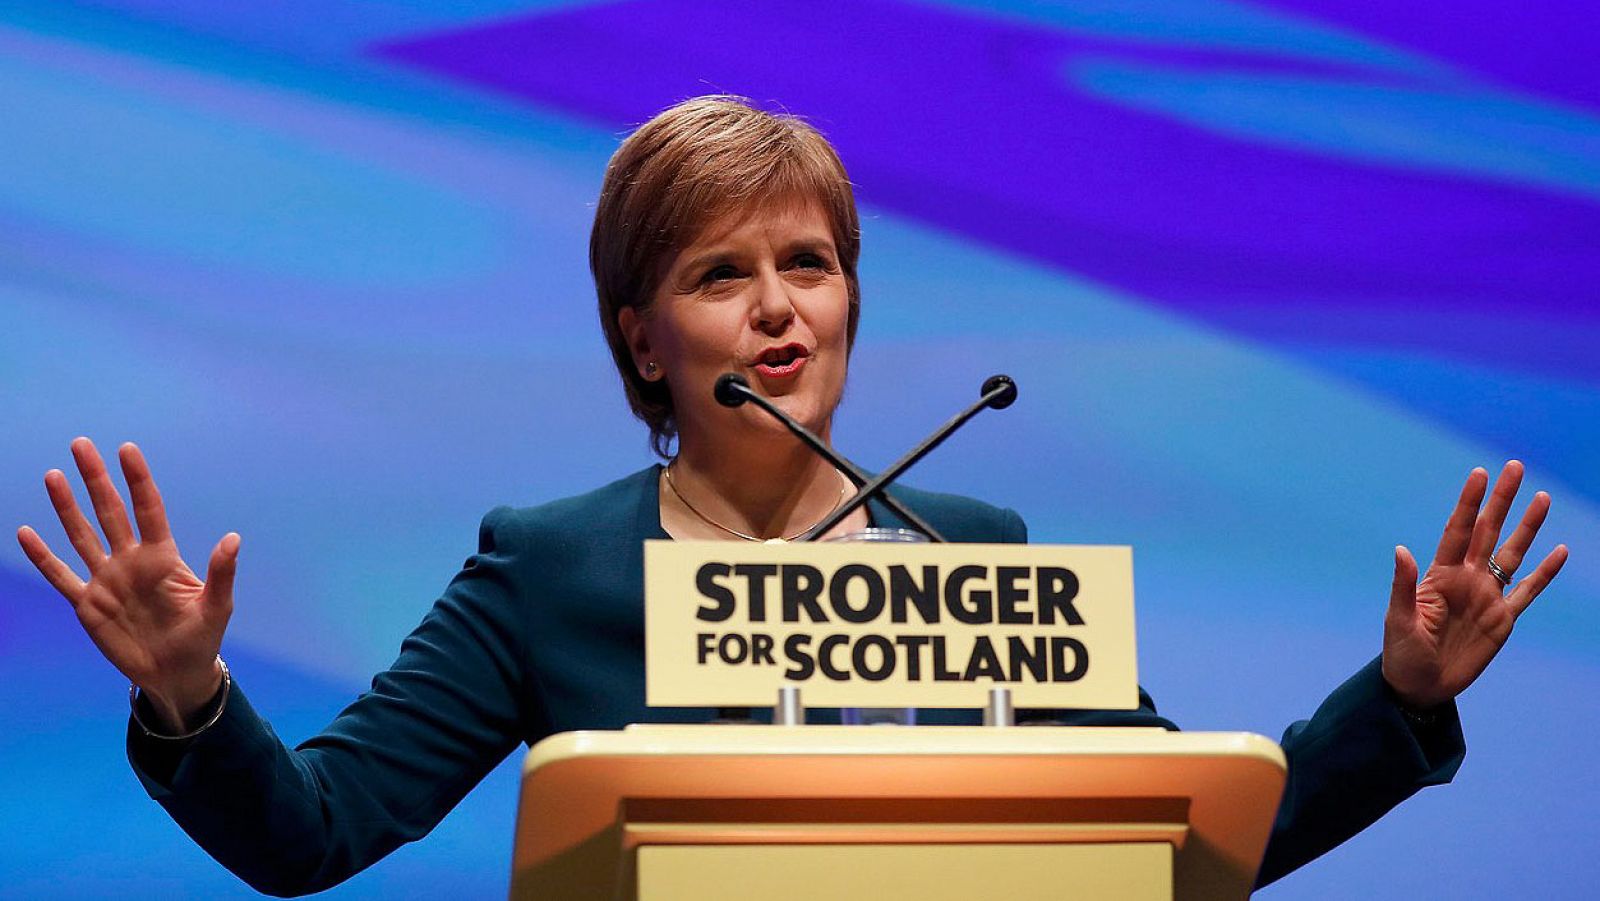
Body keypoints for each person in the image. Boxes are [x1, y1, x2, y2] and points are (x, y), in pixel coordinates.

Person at [15, 96, 1569, 896]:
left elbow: (1189, 838)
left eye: (808, 265)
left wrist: (1403, 693)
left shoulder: (975, 556)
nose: (780, 311)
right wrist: (193, 696)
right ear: (643, 333)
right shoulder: (552, 567)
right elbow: (317, 832)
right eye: (719, 275)